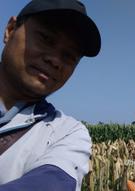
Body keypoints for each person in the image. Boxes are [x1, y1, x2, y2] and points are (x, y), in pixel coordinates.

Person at [0, 0, 101, 191]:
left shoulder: (67, 133)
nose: (55, 60)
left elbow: (53, 183)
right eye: (46, 39)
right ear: (10, 30)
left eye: (69, 56)